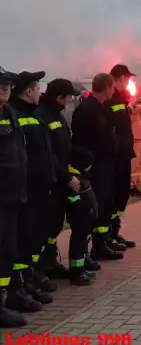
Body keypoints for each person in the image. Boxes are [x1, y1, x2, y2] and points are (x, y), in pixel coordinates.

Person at [8, 71, 57, 308]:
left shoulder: (31, 115)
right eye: (37, 88)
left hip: (39, 189)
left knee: (33, 238)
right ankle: (19, 288)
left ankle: (30, 281)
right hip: (24, 192)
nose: (40, 92)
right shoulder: (16, 114)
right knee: (22, 240)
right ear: (28, 91)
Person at [71, 73, 123, 260]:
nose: (114, 91)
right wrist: (88, 163)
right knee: (94, 208)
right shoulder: (87, 109)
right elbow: (81, 140)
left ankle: (101, 244)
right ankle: (87, 251)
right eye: (112, 88)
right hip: (95, 167)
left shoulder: (102, 108)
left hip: (106, 165)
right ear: (108, 87)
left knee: (105, 205)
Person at [35, 79, 81, 281]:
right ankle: (41, 268)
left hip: (61, 178)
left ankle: (50, 263)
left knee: (55, 224)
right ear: (59, 98)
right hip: (51, 181)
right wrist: (66, 176)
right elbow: (49, 154)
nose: (70, 100)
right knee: (46, 225)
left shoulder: (57, 115)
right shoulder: (42, 117)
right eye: (68, 97)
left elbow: (64, 147)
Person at [0, 67, 30, 326]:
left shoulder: (9, 113)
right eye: (0, 84)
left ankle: (3, 301)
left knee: (7, 250)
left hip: (12, 197)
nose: (5, 87)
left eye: (7, 84)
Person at [106, 64, 137, 250]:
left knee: (122, 195)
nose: (129, 81)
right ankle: (106, 236)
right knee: (113, 195)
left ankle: (114, 232)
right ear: (119, 77)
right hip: (115, 156)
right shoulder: (109, 99)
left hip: (124, 153)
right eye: (127, 78)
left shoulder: (121, 98)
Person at [66, 147, 99, 285]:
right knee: (78, 242)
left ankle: (81, 267)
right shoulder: (76, 182)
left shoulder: (82, 178)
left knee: (82, 240)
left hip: (86, 220)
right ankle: (77, 271)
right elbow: (74, 200)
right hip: (80, 218)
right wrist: (85, 208)